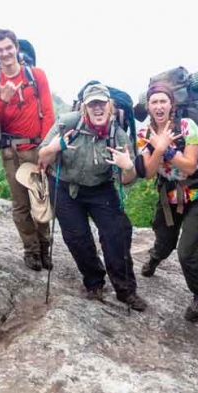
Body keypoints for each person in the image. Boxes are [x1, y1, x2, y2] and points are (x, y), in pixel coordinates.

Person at [37, 84, 147, 311]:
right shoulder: (66, 123)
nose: (97, 109)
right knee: (77, 238)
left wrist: (127, 167)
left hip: (100, 189)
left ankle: (126, 290)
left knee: (116, 235)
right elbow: (42, 155)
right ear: (84, 108)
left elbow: (127, 180)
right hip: (65, 187)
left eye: (101, 104)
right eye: (92, 104)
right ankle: (94, 281)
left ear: (110, 106)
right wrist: (55, 147)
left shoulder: (118, 135)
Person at [136, 83, 198, 322]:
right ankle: (155, 257)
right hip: (168, 196)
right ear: (148, 106)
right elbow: (148, 173)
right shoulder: (143, 134)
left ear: (171, 105)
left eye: (163, 101)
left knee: (186, 252)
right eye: (154, 102)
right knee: (165, 241)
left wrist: (166, 150)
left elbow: (190, 166)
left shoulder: (187, 126)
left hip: (196, 195)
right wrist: (158, 148)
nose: (159, 106)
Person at [0, 29, 55, 271]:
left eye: (8, 47)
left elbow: (48, 113)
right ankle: (31, 250)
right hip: (12, 152)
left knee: (41, 200)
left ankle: (45, 246)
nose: (4, 53)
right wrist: (3, 98)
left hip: (37, 147)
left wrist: (46, 149)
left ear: (16, 48)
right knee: (21, 204)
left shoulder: (36, 75)